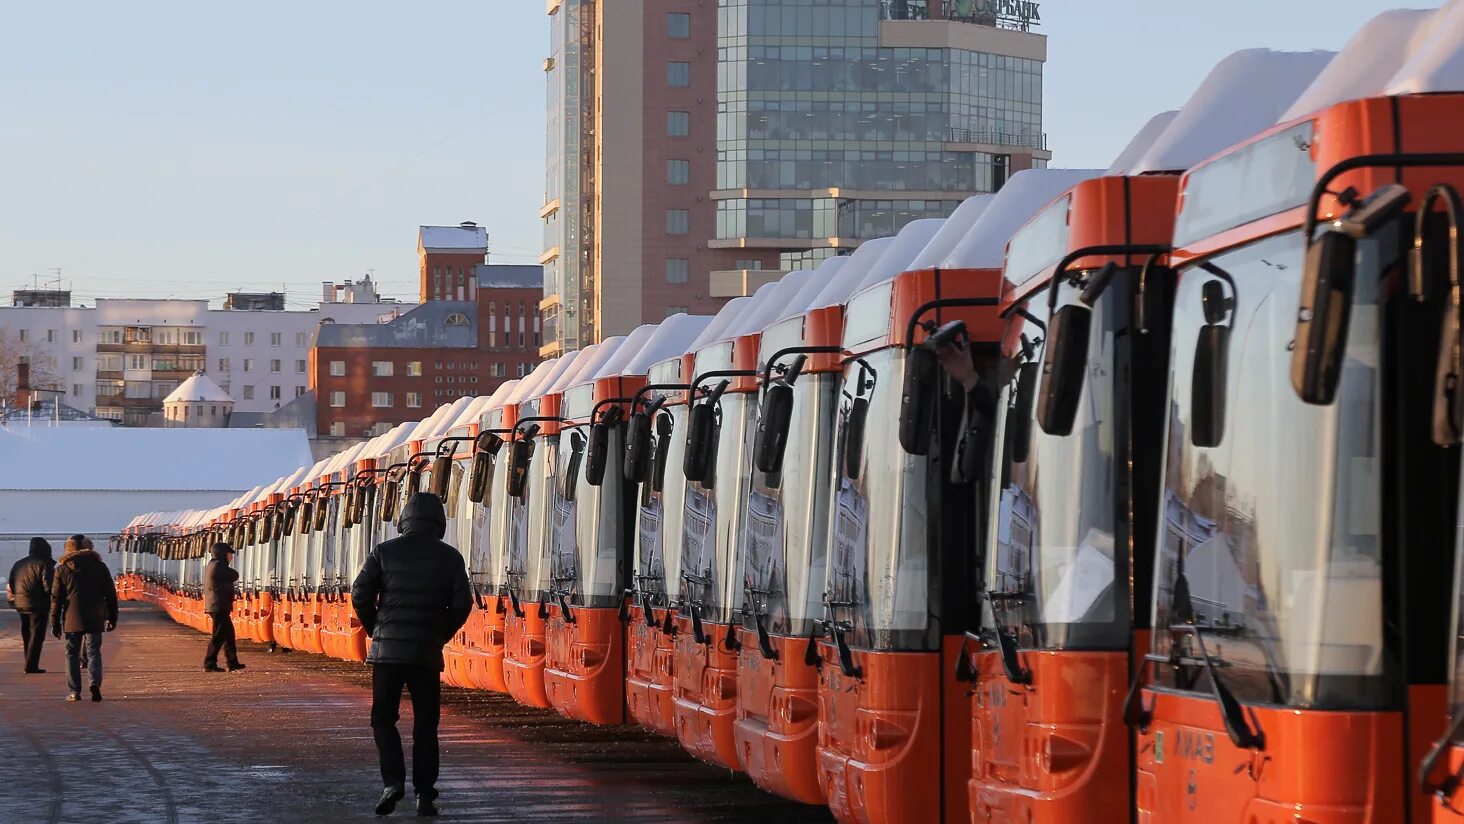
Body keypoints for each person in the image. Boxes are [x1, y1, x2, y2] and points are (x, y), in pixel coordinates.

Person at [352, 492, 470, 818]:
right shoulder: (450, 557)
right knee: (426, 724)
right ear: (439, 523)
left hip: (387, 655)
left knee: (383, 719)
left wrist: (377, 629)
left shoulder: (384, 552)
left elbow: (359, 594)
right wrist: (438, 634)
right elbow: (462, 604)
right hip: (425, 655)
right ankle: (425, 794)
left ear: (404, 520)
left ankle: (392, 783)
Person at [50, 535, 118, 702]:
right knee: (94, 652)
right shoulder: (100, 567)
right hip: (95, 616)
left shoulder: (62, 569)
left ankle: (74, 691)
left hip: (71, 618)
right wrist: (112, 617)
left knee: (71, 654)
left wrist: (54, 623)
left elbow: (56, 598)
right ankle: (94, 683)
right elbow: (110, 594)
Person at [7, 538, 56, 673]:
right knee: (37, 635)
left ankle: (29, 662)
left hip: (21, 604)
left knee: (26, 633)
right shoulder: (44, 564)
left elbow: (11, 583)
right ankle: (31, 665)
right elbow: (49, 586)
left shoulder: (19, 564)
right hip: (38, 605)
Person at [203, 542, 246, 673]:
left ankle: (232, 662)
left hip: (218, 606)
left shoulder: (214, 564)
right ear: (222, 554)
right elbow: (234, 575)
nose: (231, 558)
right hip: (218, 606)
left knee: (228, 634)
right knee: (219, 636)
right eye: (229, 554)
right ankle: (210, 663)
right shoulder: (218, 565)